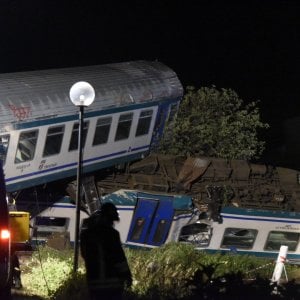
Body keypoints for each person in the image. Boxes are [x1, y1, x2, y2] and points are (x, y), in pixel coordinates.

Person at [80, 202, 132, 300]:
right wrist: (127, 276)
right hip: (113, 284)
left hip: (93, 282)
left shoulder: (86, 235)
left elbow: (84, 255)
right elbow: (120, 259)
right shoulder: (112, 234)